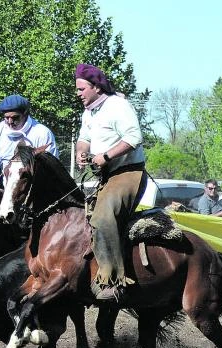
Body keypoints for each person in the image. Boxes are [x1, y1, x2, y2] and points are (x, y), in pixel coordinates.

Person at [73, 63, 146, 302]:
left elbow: (134, 137)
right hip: (106, 176)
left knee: (103, 217)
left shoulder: (118, 106)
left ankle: (113, 282)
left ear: (96, 87)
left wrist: (105, 156)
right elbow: (84, 138)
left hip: (128, 173)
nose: (78, 93)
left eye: (81, 88)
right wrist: (81, 152)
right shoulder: (89, 112)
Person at [0, 95, 58, 185]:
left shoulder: (42, 133)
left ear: (25, 114)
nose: (10, 121)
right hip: (8, 191)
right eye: (6, 117)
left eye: (15, 117)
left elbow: (52, 171)